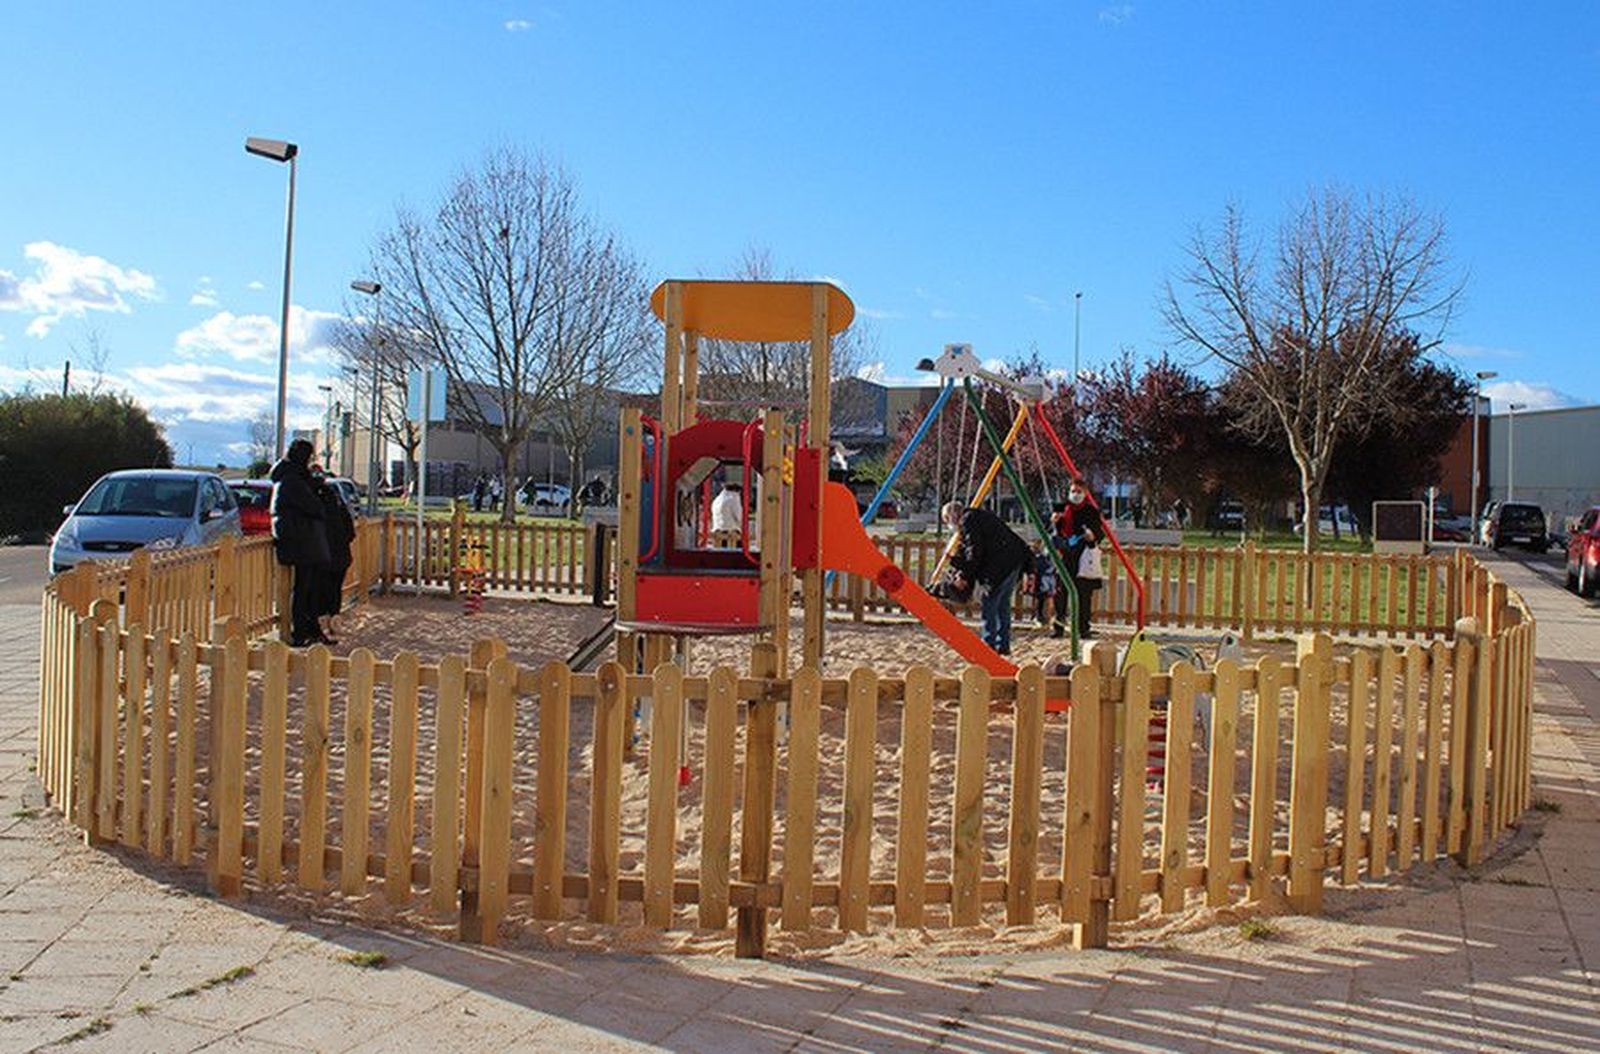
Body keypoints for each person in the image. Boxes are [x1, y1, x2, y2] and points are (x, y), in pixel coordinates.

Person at [942, 501, 1031, 656]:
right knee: (1002, 605)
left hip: (999, 566)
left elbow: (975, 551)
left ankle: (989, 644)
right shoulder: (979, 515)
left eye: (946, 519)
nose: (948, 524)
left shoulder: (969, 521)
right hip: (1014, 560)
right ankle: (1003, 644)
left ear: (952, 516)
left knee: (990, 604)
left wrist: (956, 562)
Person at [269, 439, 331, 647]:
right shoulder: (292, 480)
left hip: (300, 538)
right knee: (303, 588)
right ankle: (300, 631)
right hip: (300, 539)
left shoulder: (290, 477)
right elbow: (314, 507)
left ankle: (309, 628)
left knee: (307, 587)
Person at [1052, 479, 1104, 640]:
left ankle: (1083, 628)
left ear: (1085, 493)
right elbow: (1054, 532)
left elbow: (1099, 533)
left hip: (1082, 556)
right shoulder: (1063, 508)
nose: (1076, 495)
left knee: (1084, 594)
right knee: (1060, 594)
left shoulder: (1091, 511)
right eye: (1073, 491)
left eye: (1079, 491)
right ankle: (1059, 627)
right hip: (1065, 554)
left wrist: (1092, 536)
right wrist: (1054, 522)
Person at [314, 468, 356, 645]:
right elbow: (350, 530)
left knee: (319, 590)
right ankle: (334, 620)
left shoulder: (314, 504)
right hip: (341, 554)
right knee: (335, 589)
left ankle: (322, 622)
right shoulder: (337, 501)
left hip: (323, 555)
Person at [1026, 540, 1057, 627]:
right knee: (1040, 599)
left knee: (1044, 599)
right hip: (1039, 580)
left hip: (1044, 579)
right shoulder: (1037, 557)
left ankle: (1044, 617)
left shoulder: (1043, 557)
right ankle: (1039, 617)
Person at [710, 482, 743, 548]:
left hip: (717, 530)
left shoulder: (716, 499)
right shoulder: (734, 497)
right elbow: (738, 516)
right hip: (731, 531)